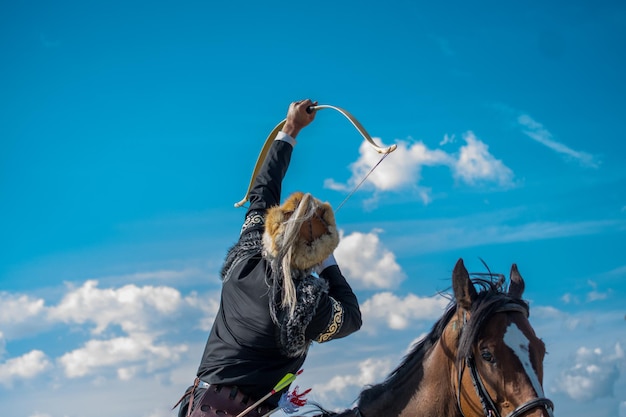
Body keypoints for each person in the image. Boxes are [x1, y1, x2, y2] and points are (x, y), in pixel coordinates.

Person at [175, 99, 362, 417]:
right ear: (315, 252)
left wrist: (291, 128)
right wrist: (328, 264)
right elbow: (352, 319)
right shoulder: (307, 304)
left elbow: (263, 190)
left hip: (200, 407)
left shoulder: (246, 255)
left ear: (275, 229)